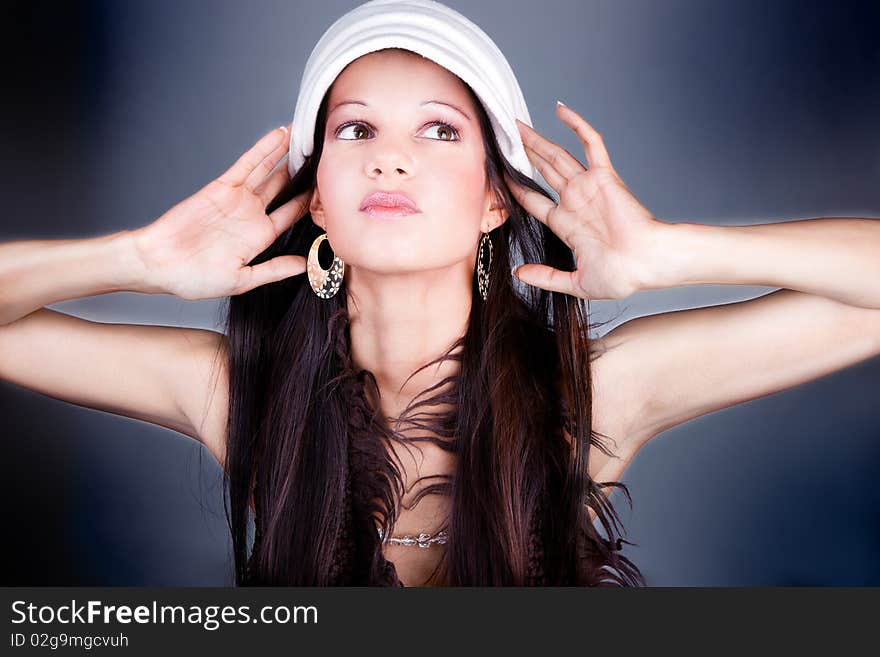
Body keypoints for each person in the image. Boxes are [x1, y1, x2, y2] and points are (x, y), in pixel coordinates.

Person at [2, 0, 879, 587]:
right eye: (356, 129)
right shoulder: (237, 394)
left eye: (438, 129)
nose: (391, 157)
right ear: (316, 198)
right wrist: (139, 258)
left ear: (494, 197)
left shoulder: (590, 392)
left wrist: (669, 253)